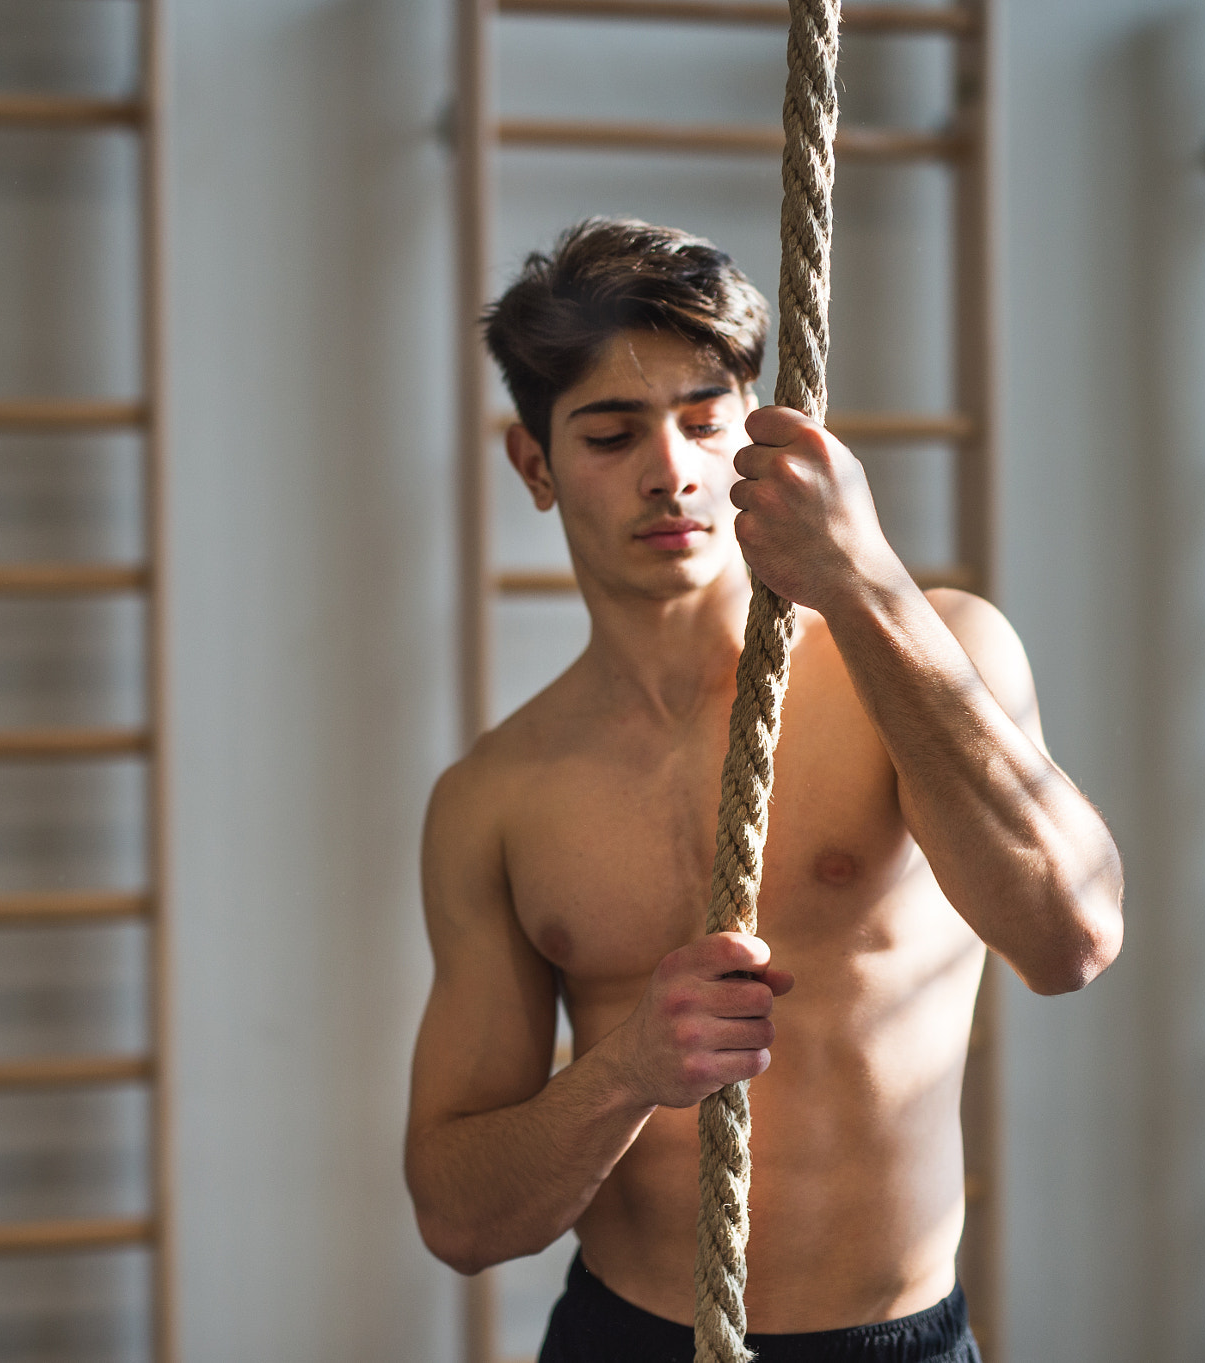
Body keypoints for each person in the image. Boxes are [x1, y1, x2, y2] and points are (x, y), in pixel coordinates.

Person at [403, 219, 1124, 1363]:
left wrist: (862, 578)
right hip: (622, 1335)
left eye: (703, 421)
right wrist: (628, 1070)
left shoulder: (930, 647)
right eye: (608, 433)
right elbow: (458, 1214)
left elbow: (1068, 937)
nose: (670, 471)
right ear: (533, 464)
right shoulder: (495, 797)